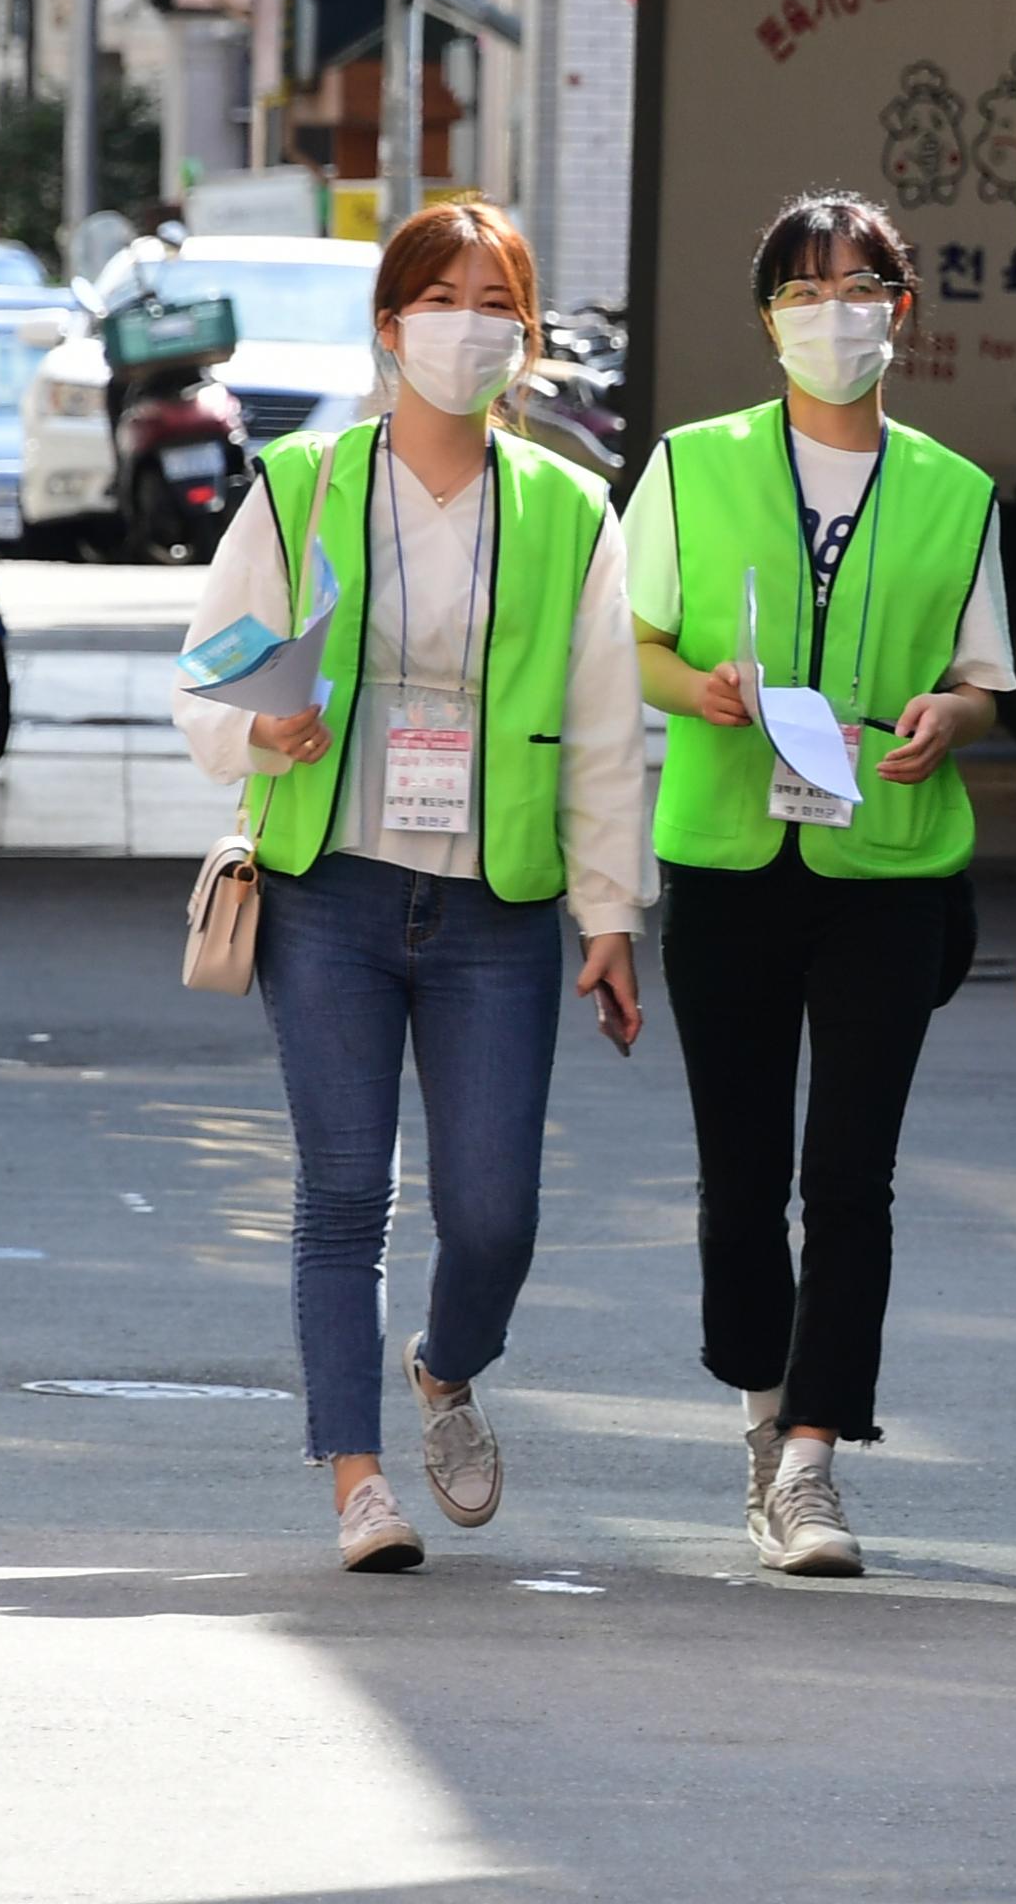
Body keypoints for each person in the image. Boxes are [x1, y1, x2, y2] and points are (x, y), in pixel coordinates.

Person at [173, 200, 653, 1574]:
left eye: (498, 302)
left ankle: (447, 1366)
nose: (470, 326)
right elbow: (207, 674)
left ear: (529, 335)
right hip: (330, 892)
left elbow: (607, 731)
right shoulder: (307, 481)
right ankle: (358, 1480)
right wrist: (261, 728)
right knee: (341, 1192)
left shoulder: (567, 511)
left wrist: (610, 916)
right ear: (390, 326)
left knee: (494, 1210)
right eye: (442, 299)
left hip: (496, 909)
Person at [628, 192, 1015, 1577]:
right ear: (767, 318)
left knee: (850, 1175)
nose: (834, 313)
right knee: (741, 1179)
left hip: (887, 869)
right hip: (729, 853)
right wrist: (700, 688)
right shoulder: (691, 465)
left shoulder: (957, 490)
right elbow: (640, 646)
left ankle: (814, 1459)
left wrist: (944, 720)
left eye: (860, 288)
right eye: (805, 291)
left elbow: (983, 681)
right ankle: (757, 1402)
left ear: (900, 312)